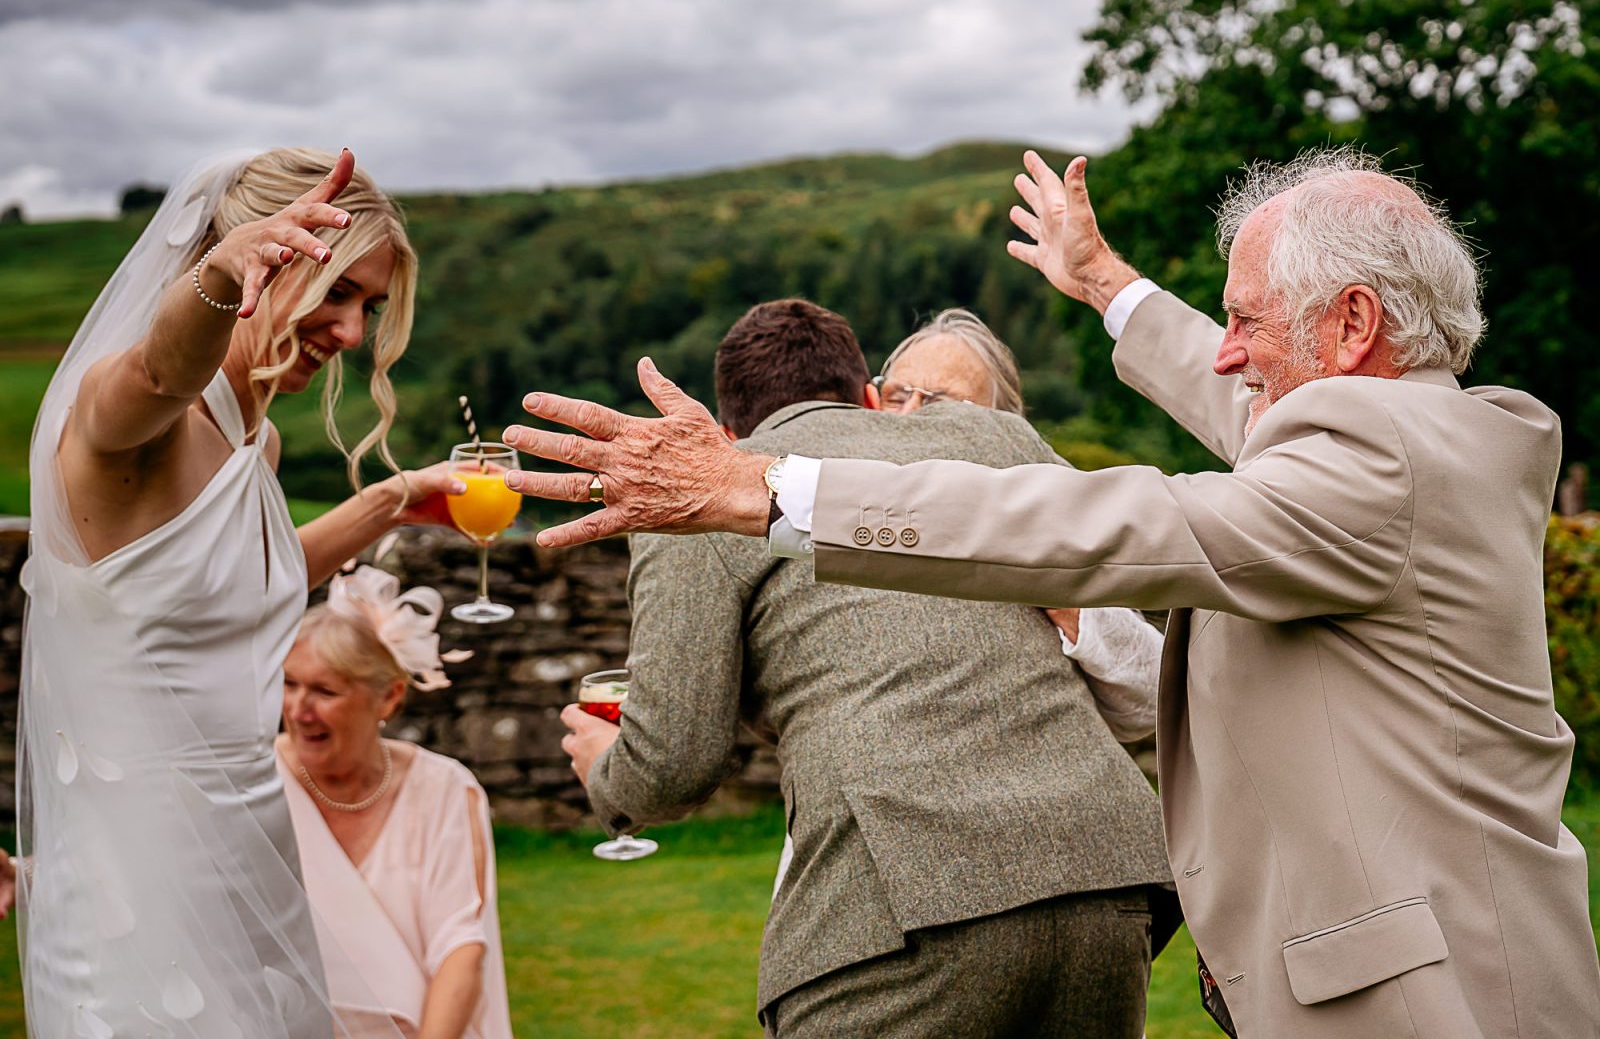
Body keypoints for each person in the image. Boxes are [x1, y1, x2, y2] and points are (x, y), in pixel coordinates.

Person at [498, 147, 1600, 1037]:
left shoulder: (1375, 470)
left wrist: (766, 491)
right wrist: (1110, 290)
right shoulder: (1438, 434)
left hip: (1435, 995)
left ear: (1352, 324)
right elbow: (1250, 421)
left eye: (1248, 321)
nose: (1227, 357)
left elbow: (1102, 522)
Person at [559, 298, 1171, 1038]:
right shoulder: (998, 436)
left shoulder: (705, 495)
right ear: (870, 397)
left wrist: (606, 774)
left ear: (727, 434)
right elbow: (1138, 572)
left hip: (902, 904)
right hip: (1106, 874)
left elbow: (674, 762)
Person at [18, 148, 460, 1037]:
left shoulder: (250, 443)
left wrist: (391, 502)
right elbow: (153, 375)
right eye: (336, 292)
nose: (350, 334)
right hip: (135, 873)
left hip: (249, 845)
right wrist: (223, 274)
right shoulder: (129, 427)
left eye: (367, 306)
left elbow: (241, 586)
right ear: (245, 254)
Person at [876, 307, 1161, 743]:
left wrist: (1061, 596)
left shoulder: (1053, 520)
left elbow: (1150, 700)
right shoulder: (843, 520)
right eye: (897, 397)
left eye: (938, 403)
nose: (909, 417)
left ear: (1005, 428)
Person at [276, 566, 513, 1039]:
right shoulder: (254, 780)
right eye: (289, 683)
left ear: (388, 698)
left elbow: (460, 946)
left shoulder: (444, 788)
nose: (299, 710)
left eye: (324, 690)